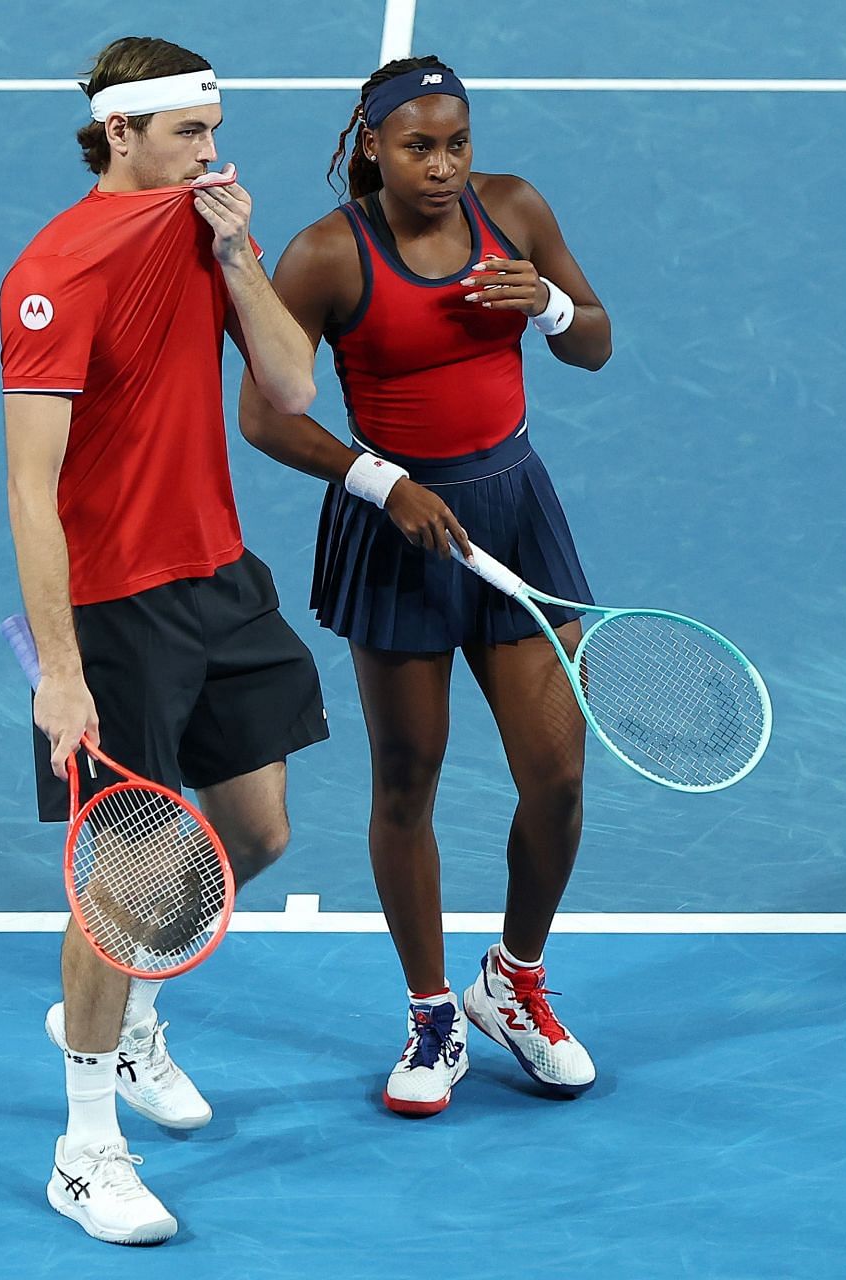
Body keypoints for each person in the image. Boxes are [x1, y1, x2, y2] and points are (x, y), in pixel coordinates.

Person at [239, 57, 612, 1117]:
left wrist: (544, 303)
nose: (443, 166)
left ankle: (516, 982)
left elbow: (596, 342)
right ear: (372, 145)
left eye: (456, 144)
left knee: (560, 778)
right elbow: (264, 413)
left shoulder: (516, 209)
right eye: (418, 147)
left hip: (517, 518)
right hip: (397, 525)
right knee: (408, 782)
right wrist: (377, 477)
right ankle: (433, 1010)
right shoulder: (324, 256)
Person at [0, 36, 327, 1244]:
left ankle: (126, 1009)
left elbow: (291, 388)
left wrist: (241, 254)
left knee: (255, 830)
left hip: (219, 579)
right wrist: (63, 672)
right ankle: (85, 1147)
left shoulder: (205, 231)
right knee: (127, 887)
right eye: (191, 132)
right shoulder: (53, 273)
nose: (214, 150)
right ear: (120, 134)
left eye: (215, 126)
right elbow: (32, 492)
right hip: (112, 611)